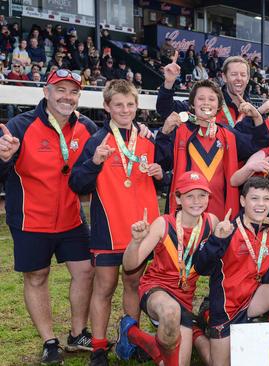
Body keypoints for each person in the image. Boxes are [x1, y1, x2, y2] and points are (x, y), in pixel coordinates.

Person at [0, 69, 95, 364]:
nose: (67, 97)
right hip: (31, 219)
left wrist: (139, 130)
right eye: (61, 90)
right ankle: (49, 341)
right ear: (46, 92)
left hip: (71, 218)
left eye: (73, 92)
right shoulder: (19, 125)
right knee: (37, 277)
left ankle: (78, 333)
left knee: (85, 271)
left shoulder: (87, 126)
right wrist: (3, 158)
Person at [69, 80, 162, 365]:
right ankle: (98, 347)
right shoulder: (96, 141)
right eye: (118, 105)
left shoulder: (148, 140)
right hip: (108, 230)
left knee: (134, 285)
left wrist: (161, 174)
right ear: (107, 107)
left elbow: (163, 180)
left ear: (137, 106)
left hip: (142, 231)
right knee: (104, 288)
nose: (125, 109)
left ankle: (130, 340)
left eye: (130, 104)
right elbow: (77, 183)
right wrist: (94, 162)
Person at [194, 177, 269, 366]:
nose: (261, 204)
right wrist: (216, 239)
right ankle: (196, 334)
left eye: (266, 199)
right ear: (243, 201)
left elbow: (267, 274)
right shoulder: (228, 230)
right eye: (254, 199)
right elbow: (201, 267)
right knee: (217, 363)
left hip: (252, 300)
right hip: (226, 307)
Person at [116, 171, 218, 366]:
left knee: (175, 362)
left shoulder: (212, 222)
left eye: (202, 195)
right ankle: (135, 333)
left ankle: (131, 332)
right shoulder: (163, 224)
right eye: (190, 196)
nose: (197, 201)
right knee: (171, 311)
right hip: (156, 290)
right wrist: (135, 243)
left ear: (209, 197)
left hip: (185, 299)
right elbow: (129, 266)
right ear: (178, 198)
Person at [155, 79, 269, 220]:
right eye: (201, 98)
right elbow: (162, 162)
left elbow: (258, 144)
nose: (206, 103)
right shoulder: (180, 131)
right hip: (186, 212)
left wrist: (257, 116)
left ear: (219, 105)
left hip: (221, 212)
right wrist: (164, 133)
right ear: (192, 104)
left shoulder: (228, 135)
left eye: (211, 99)